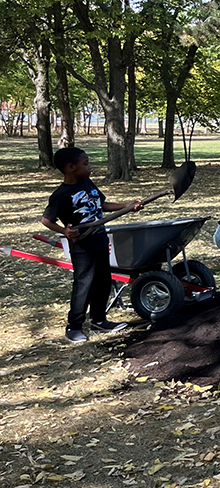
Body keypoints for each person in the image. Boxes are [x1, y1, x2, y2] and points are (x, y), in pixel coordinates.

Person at [40, 147, 142, 342]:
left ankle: (99, 319)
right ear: (70, 167)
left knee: (103, 281)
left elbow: (102, 205)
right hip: (82, 246)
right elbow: (46, 220)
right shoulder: (61, 195)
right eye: (85, 164)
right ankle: (74, 326)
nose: (90, 168)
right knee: (84, 285)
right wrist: (65, 232)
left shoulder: (88, 183)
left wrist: (127, 206)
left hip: (100, 240)